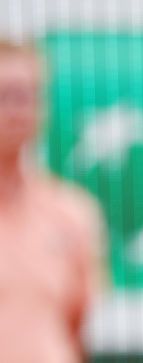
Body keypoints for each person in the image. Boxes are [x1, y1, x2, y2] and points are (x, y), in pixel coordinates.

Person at [0, 40, 107, 362]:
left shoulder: (72, 212)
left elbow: (78, 328)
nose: (15, 109)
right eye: (3, 96)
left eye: (25, 96)